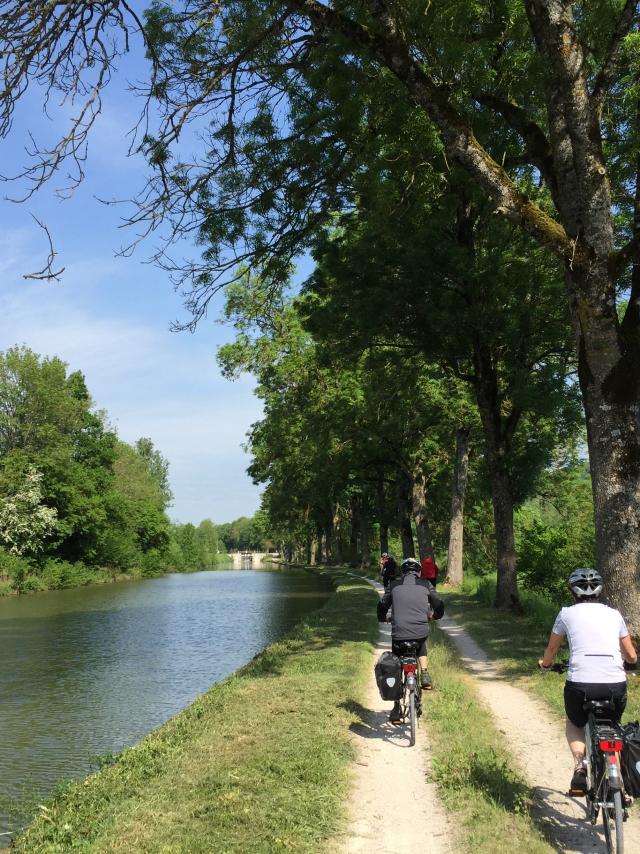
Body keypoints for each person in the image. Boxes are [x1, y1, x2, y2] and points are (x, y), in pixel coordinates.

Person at [538, 567, 638, 795]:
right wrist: (625, 660)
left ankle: (580, 766)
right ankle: (619, 782)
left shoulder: (566, 613)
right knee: (612, 726)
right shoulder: (615, 615)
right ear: (600, 591)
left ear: (573, 591)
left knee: (574, 722)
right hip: (614, 684)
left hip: (580, 684)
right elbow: (631, 656)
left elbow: (552, 649)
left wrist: (545, 664)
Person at [377, 556, 445, 723]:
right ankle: (425, 674)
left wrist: (382, 618)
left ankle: (395, 709)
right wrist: (435, 616)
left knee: (396, 660)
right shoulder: (426, 584)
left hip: (399, 634)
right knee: (420, 641)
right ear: (418, 571)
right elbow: (439, 604)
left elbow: (382, 605)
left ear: (403, 571)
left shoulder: (393, 585)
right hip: (420, 631)